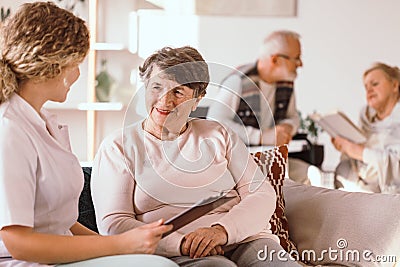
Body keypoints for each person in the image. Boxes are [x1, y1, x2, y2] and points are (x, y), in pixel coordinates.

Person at [0, 2, 177, 266]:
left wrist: (117, 248)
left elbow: (62, 222)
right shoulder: (9, 130)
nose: (79, 73)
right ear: (54, 64)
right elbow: (18, 243)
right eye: (75, 63)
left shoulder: (45, 123)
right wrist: (120, 244)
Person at [91, 46, 301, 267]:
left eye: (178, 92)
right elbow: (114, 224)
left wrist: (222, 231)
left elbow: (262, 194)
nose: (165, 100)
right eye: (156, 87)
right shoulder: (118, 147)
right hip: (177, 251)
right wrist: (182, 244)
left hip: (245, 239)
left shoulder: (219, 133)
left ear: (198, 99)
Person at [207, 30, 316, 185]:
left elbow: (293, 116)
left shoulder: (286, 82)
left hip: (271, 158)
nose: (300, 64)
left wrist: (287, 127)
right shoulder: (238, 81)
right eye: (296, 58)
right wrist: (262, 136)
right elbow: (216, 122)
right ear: (275, 59)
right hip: (238, 161)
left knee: (311, 174)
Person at [333, 62, 400, 193]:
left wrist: (357, 151)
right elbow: (357, 156)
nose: (369, 90)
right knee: (344, 168)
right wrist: (346, 147)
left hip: (390, 189)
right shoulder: (365, 117)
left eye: (375, 84)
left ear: (394, 85)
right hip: (364, 182)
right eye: (366, 87)